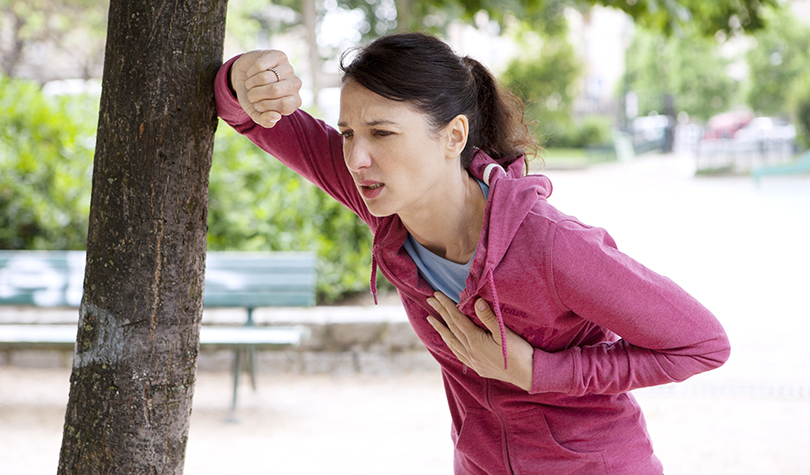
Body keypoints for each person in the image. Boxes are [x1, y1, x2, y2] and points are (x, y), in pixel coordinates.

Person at [215, 32, 730, 475]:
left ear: (453, 136)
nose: (355, 157)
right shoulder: (385, 202)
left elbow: (702, 344)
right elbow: (249, 116)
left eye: (381, 133)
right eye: (348, 133)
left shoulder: (549, 245)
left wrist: (537, 372)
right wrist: (244, 77)